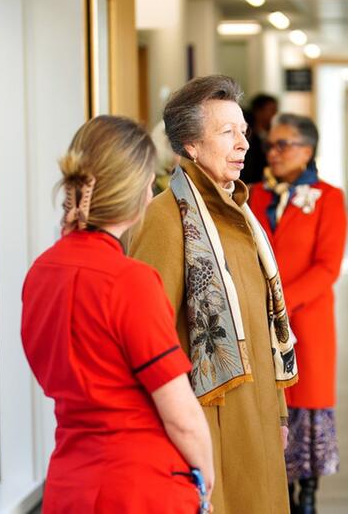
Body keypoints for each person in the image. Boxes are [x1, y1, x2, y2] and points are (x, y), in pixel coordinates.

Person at [21, 115, 214, 512]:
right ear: (138, 193)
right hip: (141, 486)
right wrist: (206, 480)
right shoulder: (130, 281)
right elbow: (180, 415)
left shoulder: (40, 273)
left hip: (69, 484)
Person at [129, 75, 297, 514]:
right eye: (227, 133)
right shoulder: (166, 221)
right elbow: (149, 339)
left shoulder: (240, 214)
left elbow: (262, 321)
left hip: (257, 413)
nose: (244, 144)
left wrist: (278, 411)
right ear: (190, 145)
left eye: (243, 131)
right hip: (209, 421)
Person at [247, 113, 348, 514]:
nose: (273, 152)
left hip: (307, 322)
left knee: (308, 406)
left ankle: (308, 492)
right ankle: (278, 492)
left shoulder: (329, 197)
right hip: (257, 322)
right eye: (270, 144)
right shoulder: (251, 195)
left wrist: (279, 302)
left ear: (307, 151)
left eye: (283, 144)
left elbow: (328, 267)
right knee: (269, 403)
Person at [240, 93, 279, 184]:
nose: (275, 114)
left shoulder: (270, 136)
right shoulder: (246, 137)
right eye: (272, 110)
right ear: (258, 112)